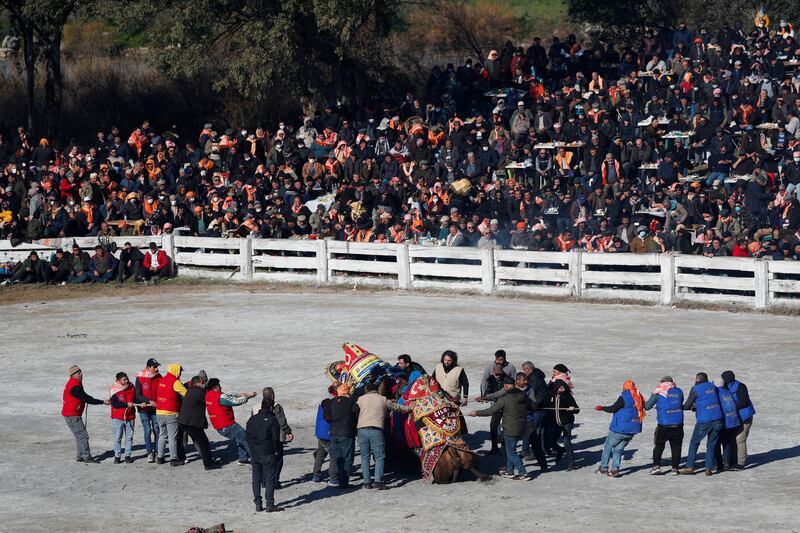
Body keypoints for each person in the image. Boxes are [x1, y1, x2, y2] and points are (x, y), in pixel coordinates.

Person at [469, 372, 534, 480]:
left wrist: (476, 413)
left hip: (510, 429)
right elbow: (533, 406)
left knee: (511, 452)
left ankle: (523, 473)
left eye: (505, 386)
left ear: (507, 386)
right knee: (510, 450)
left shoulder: (505, 398)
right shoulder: (523, 396)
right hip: (522, 428)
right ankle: (510, 471)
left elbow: (491, 410)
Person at [354, 381, 410, 489]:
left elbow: (355, 411)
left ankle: (367, 482)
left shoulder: (360, 399)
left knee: (365, 457)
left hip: (362, 430)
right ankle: (378, 481)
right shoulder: (383, 399)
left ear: (366, 389)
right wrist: (409, 408)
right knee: (379, 456)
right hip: (376, 429)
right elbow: (396, 407)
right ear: (376, 390)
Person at [596, 380, 645, 477]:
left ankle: (603, 467)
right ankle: (615, 470)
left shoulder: (624, 397)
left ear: (625, 388)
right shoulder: (639, 397)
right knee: (618, 449)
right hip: (633, 429)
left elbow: (613, 408)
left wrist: (602, 408)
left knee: (608, 447)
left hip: (620, 429)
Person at [62, 365, 109, 463]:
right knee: (83, 436)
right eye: (79, 373)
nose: (81, 374)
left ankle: (80, 456)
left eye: (81, 372)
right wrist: (102, 402)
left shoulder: (75, 383)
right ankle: (87, 457)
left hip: (71, 414)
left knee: (79, 436)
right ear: (73, 375)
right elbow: (86, 398)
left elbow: (85, 396)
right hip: (72, 415)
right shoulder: (74, 386)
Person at [205, 378, 257, 465]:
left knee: (241, 438)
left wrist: (242, 394)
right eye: (219, 386)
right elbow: (234, 401)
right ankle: (256, 460)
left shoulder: (208, 395)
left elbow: (228, 397)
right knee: (246, 439)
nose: (220, 387)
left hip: (220, 426)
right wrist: (247, 397)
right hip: (227, 425)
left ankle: (243, 458)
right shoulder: (219, 396)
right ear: (215, 387)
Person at [680, 372, 723, 476]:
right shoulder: (713, 386)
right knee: (711, 445)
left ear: (697, 379)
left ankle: (690, 466)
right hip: (718, 418)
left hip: (704, 421)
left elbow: (687, 405)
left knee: (694, 443)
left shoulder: (695, 389)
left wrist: (678, 407)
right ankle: (708, 469)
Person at [246, 395, 284, 512]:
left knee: (256, 478)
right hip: (267, 453)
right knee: (269, 479)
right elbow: (275, 438)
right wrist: (276, 450)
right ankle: (270, 504)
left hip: (255, 453)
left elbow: (247, 437)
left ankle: (258, 503)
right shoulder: (272, 420)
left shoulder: (252, 419)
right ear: (271, 407)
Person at [250, 388, 293, 488]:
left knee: (263, 461)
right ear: (273, 396)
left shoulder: (255, 406)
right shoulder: (276, 406)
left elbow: (252, 421)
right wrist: (288, 431)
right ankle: (274, 481)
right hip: (275, 437)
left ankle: (264, 481)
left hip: (260, 438)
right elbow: (281, 421)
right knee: (278, 460)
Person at [177, 375, 219, 470]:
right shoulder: (199, 392)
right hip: (191, 423)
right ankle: (208, 464)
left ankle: (181, 459)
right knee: (204, 443)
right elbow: (209, 399)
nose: (204, 384)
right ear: (197, 383)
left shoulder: (190, 390)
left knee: (182, 441)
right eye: (202, 382)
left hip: (183, 421)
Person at [644, 376, 684, 475]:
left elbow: (647, 406)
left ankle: (656, 466)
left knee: (659, 446)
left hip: (663, 425)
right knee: (676, 447)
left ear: (662, 382)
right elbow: (680, 402)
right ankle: (675, 468)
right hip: (678, 424)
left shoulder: (658, 391)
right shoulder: (679, 391)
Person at [721, 370, 755, 469]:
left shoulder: (740, 387)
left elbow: (744, 402)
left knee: (740, 439)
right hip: (735, 418)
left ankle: (741, 462)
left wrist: (732, 407)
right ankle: (733, 460)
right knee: (732, 439)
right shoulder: (726, 387)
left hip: (745, 417)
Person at [520, 361, 550, 472]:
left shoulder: (534, 379)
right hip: (538, 408)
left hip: (538, 408)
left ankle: (529, 451)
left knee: (534, 432)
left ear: (529, 369)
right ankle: (530, 450)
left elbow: (531, 393)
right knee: (536, 431)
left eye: (525, 370)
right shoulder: (536, 376)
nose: (524, 372)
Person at [155, 363, 187, 466]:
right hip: (170, 412)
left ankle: (160, 457)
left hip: (159, 412)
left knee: (162, 435)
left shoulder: (162, 380)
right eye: (180, 371)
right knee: (173, 437)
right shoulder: (175, 382)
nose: (180, 373)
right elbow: (186, 393)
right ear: (176, 370)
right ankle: (173, 458)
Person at [546, 378, 579, 470]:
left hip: (567, 422)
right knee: (551, 441)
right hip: (555, 423)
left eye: (563, 387)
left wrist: (573, 408)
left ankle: (572, 464)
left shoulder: (567, 396)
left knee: (566, 442)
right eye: (560, 387)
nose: (562, 389)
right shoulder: (551, 396)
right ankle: (560, 450)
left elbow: (577, 409)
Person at [328, 383, 357, 487]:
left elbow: (327, 416)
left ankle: (338, 479)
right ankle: (344, 481)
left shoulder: (331, 402)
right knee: (347, 457)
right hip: (346, 432)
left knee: (337, 457)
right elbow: (356, 414)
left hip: (334, 432)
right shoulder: (351, 402)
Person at [108, 372, 140, 463]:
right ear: (118, 380)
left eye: (127, 379)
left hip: (130, 416)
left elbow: (135, 399)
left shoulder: (131, 387)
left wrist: (141, 403)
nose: (126, 381)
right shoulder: (114, 389)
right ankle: (117, 457)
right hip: (117, 417)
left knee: (129, 437)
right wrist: (126, 404)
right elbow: (114, 404)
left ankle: (127, 456)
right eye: (124, 379)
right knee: (118, 437)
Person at [134, 358, 161, 463]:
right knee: (147, 430)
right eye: (155, 367)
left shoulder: (159, 377)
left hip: (155, 409)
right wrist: (148, 400)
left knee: (157, 430)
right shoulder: (140, 377)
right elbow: (137, 394)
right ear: (149, 367)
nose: (156, 368)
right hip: (143, 409)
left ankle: (158, 452)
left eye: (157, 366)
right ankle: (150, 453)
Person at [714, 377, 741, 472]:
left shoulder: (717, 393)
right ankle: (727, 463)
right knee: (727, 443)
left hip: (726, 423)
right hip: (734, 421)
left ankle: (719, 464)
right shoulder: (728, 391)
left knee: (716, 444)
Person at [312, 387, 337, 483]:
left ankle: (316, 475)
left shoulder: (324, 401)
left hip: (319, 432)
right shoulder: (331, 403)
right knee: (334, 454)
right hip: (326, 433)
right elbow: (328, 418)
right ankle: (333, 478)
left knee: (321, 453)